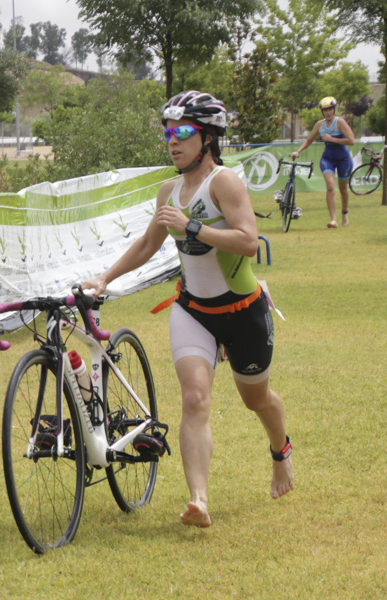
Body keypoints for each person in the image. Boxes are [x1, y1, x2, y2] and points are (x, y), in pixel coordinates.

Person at [82, 90, 294, 529]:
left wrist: (193, 226)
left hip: (243, 309)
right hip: (193, 310)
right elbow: (146, 245)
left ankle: (281, 452)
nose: (172, 141)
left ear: (208, 137)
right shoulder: (169, 190)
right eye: (167, 134)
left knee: (256, 399)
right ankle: (198, 499)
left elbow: (249, 241)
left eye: (182, 132)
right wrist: (105, 278)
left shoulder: (225, 182)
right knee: (195, 399)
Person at [291, 96, 355, 227]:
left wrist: (332, 139)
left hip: (344, 160)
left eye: (330, 109)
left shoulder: (340, 122)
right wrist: (298, 151)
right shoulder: (320, 125)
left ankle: (344, 213)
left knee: (343, 189)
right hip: (328, 159)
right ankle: (333, 220)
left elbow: (351, 140)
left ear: (334, 109)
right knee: (330, 186)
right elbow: (309, 140)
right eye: (325, 110)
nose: (328, 112)